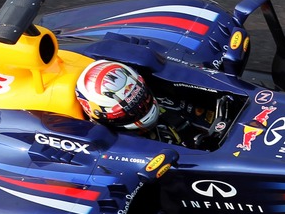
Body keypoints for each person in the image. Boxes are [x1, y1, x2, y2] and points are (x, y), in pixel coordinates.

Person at [75, 60, 230, 148]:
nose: (144, 108)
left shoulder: (163, 103)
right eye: (134, 110)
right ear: (106, 115)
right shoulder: (111, 146)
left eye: (143, 98)